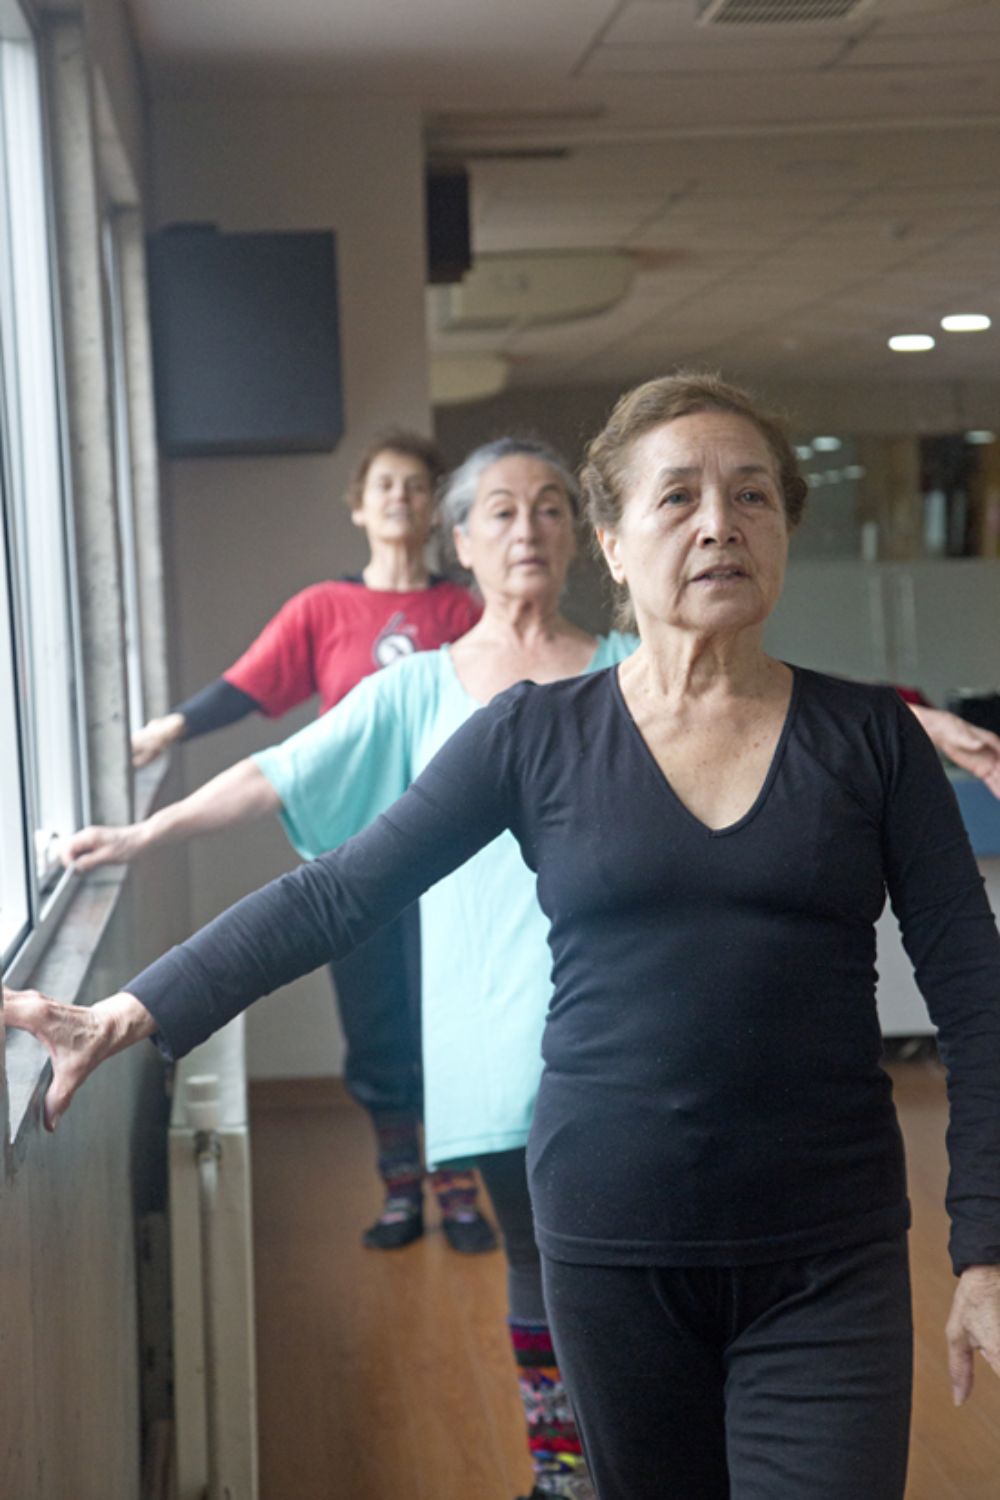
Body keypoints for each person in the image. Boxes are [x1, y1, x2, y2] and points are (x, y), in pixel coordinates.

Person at [8, 375, 1000, 1500]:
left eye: (753, 496)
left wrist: (987, 1244)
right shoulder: (532, 735)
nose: (720, 522)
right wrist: (126, 1009)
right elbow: (342, 892)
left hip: (830, 1249)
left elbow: (977, 993)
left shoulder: (866, 738)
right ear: (615, 547)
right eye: (677, 499)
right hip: (610, 1238)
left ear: (782, 528)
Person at [57, 435, 636, 1500]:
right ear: (459, 540)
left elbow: (762, 718)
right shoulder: (421, 687)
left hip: (624, 1022)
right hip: (492, 1024)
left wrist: (915, 727)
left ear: (582, 536)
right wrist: (145, 837)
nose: (527, 527)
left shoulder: (628, 672)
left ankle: (637, 1458)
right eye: (500, 510)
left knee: (629, 1261)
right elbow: (282, 773)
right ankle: (565, 1472)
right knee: (541, 1255)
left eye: (550, 507)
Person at [130, 427, 491, 1253]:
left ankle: (459, 1189)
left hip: (456, 858)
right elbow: (248, 684)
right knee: (378, 1029)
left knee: (453, 1021)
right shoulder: (323, 610)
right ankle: (401, 1190)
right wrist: (168, 730)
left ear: (436, 509)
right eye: (385, 485)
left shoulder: (466, 611)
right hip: (354, 862)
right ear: (360, 507)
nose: (400, 498)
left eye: (416, 486)